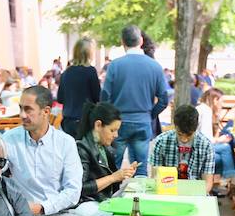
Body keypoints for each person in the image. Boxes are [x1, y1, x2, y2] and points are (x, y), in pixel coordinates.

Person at [3, 86, 96, 216]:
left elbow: (73, 191)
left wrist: (42, 207)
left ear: (46, 111)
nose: (22, 115)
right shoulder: (9, 140)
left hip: (57, 215)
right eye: (20, 108)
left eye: (28, 109)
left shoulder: (65, 143)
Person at [101, 25, 168, 176]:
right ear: (141, 40)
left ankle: (113, 197)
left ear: (122, 41)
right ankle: (139, 199)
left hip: (118, 123)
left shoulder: (115, 66)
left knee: (113, 168)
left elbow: (105, 95)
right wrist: (149, 114)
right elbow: (164, 99)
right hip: (142, 121)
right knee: (141, 168)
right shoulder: (155, 66)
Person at [75, 102, 135, 216]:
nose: (116, 135)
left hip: (102, 200)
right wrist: (113, 177)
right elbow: (79, 188)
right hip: (84, 204)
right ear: (98, 125)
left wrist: (122, 175)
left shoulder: (105, 147)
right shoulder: (82, 148)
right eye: (112, 130)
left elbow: (112, 183)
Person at [149, 104, 215, 191]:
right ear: (175, 126)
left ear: (196, 128)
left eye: (189, 135)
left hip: (195, 192)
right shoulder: (161, 142)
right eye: (180, 134)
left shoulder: (206, 146)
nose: (184, 139)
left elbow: (207, 182)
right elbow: (155, 176)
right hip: (166, 190)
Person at [196, 87, 235, 188]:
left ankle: (226, 182)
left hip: (197, 148)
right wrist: (219, 140)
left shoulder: (203, 109)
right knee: (225, 148)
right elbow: (207, 140)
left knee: (222, 157)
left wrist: (216, 117)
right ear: (215, 100)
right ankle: (232, 180)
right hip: (197, 150)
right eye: (222, 101)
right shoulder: (206, 111)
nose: (222, 104)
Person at [56, 38, 101, 139]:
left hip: (68, 121)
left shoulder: (66, 73)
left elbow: (60, 98)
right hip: (85, 120)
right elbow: (97, 97)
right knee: (84, 152)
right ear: (89, 53)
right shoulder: (90, 71)